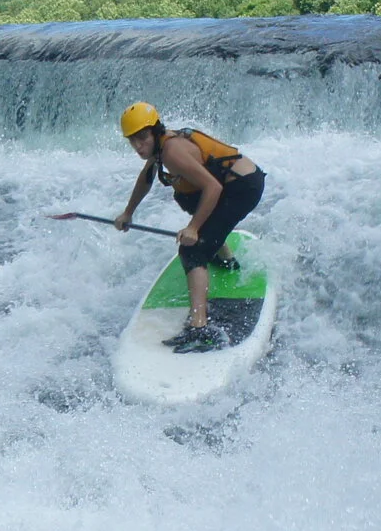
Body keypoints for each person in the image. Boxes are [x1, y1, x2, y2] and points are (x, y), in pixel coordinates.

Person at [109, 101, 266, 353]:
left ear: (156, 131)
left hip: (243, 187)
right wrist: (128, 212)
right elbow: (146, 177)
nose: (138, 146)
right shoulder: (159, 148)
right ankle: (223, 255)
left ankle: (200, 328)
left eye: (142, 138)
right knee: (184, 195)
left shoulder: (172, 151)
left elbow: (213, 188)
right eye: (132, 140)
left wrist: (193, 228)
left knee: (192, 252)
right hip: (230, 185)